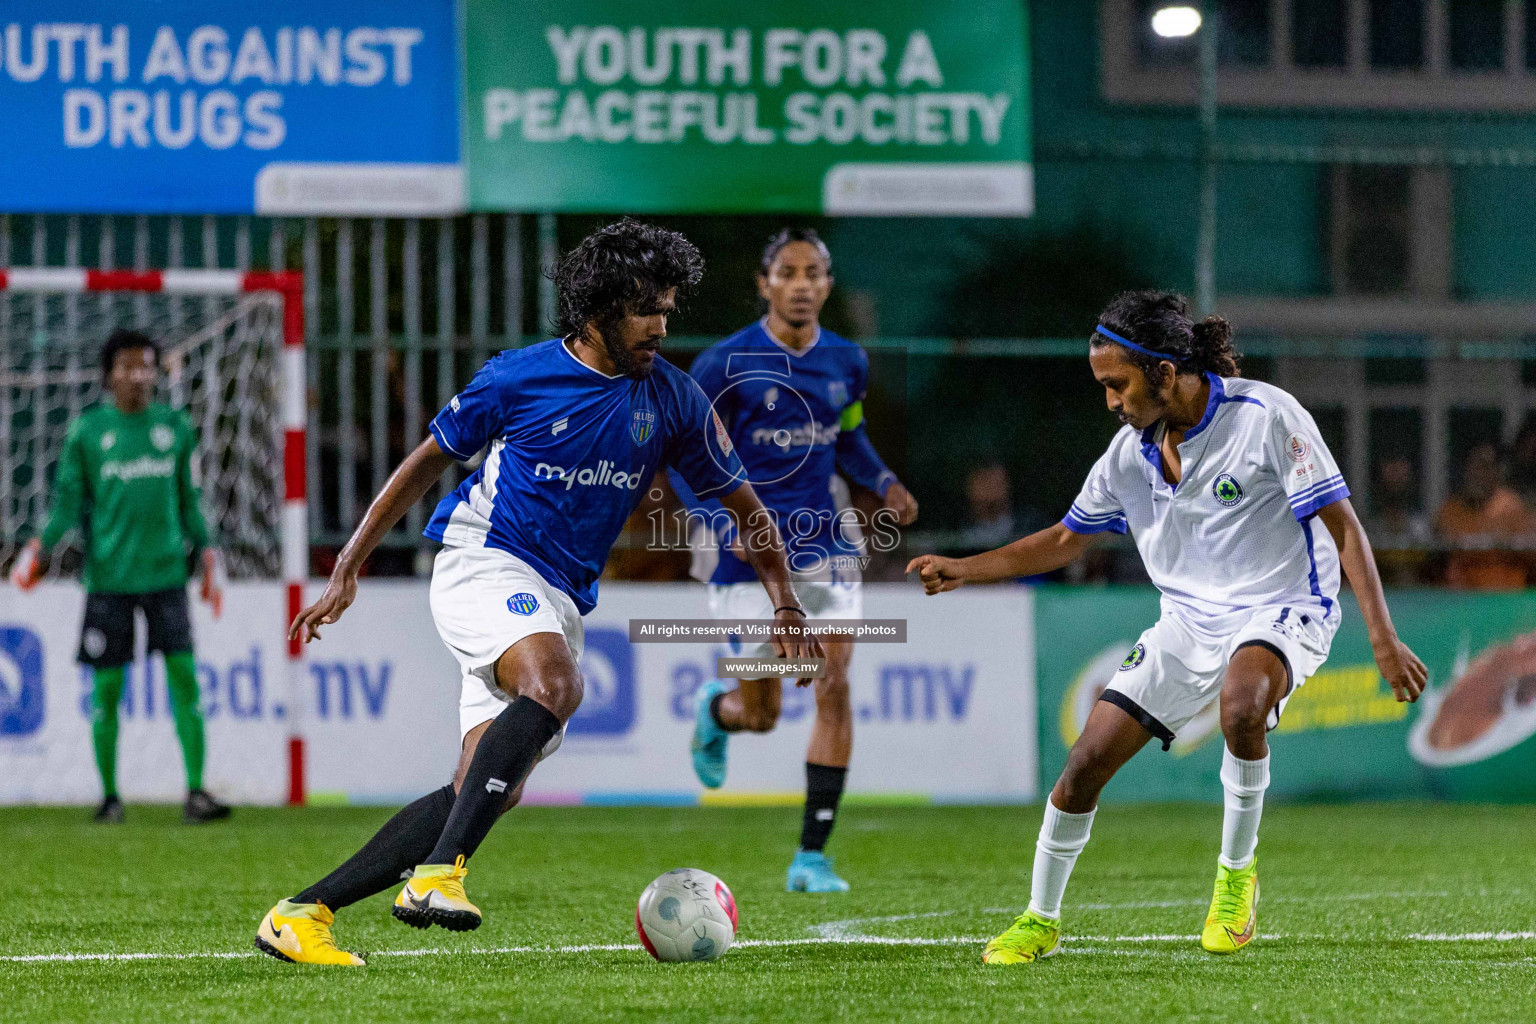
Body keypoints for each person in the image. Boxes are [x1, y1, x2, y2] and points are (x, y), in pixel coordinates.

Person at [254, 220, 821, 967]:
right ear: (598, 310)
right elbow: (425, 463)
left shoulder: (674, 400)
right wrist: (348, 566)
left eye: (667, 308)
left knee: (486, 786)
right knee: (556, 682)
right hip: (483, 559)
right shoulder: (518, 377)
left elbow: (749, 511)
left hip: (557, 595)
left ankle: (301, 915)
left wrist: (785, 606)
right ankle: (436, 878)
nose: (659, 325)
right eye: (645, 308)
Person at [907, 291, 1427, 963]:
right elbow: (1068, 538)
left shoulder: (1265, 415)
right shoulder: (1128, 456)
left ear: (1161, 371)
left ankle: (1236, 885)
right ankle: (1041, 918)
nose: (1110, 401)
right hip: (1187, 622)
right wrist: (966, 569)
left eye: (1116, 383)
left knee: (1242, 707)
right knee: (1084, 764)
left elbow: (1344, 528)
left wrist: (1383, 642)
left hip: (1283, 604)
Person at [670, 228, 917, 893]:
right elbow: (688, 462)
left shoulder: (847, 362)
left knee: (833, 683)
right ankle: (719, 710)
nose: (803, 283)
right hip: (745, 557)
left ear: (828, 285)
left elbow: (852, 436)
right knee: (765, 713)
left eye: (815, 272)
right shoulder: (722, 367)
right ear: (765, 283)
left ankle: (811, 856)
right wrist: (720, 522)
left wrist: (885, 481)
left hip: (823, 545)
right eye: (789, 271)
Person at [10, 329, 229, 825]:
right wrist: (42, 549)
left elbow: (189, 500)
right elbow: (68, 502)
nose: (139, 376)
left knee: (185, 682)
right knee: (107, 690)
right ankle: (110, 797)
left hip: (167, 576)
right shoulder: (88, 432)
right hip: (108, 579)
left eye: (147, 366)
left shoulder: (174, 426)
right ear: (109, 375)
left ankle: (196, 792)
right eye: (128, 367)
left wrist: (209, 550)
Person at [1434, 441, 1535, 589]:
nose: (1477, 473)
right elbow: (1436, 562)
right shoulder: (1449, 511)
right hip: (1460, 602)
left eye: (1484, 466)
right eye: (1472, 466)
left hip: (1505, 599)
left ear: (1497, 471)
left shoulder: (1512, 506)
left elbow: (1530, 555)